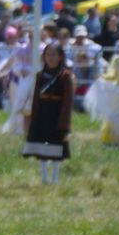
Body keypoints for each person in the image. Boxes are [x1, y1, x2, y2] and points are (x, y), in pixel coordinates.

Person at [23, 42, 74, 185]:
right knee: (41, 146)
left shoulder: (65, 76)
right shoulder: (40, 75)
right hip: (42, 113)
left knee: (56, 146)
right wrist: (33, 117)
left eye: (54, 55)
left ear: (60, 57)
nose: (50, 58)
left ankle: (55, 178)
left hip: (56, 114)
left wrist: (64, 123)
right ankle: (44, 177)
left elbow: (68, 101)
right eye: (48, 55)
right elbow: (36, 98)